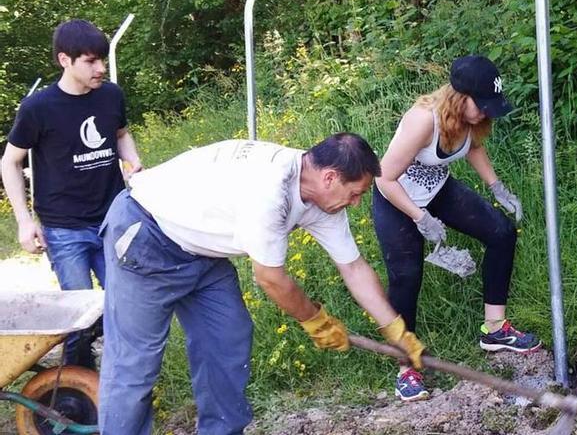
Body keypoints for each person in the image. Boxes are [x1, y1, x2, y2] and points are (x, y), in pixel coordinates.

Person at [98, 134, 424, 435]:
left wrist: (395, 329)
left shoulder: (323, 199)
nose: (355, 203)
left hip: (200, 252)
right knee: (134, 364)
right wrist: (316, 321)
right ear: (330, 178)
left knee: (228, 337)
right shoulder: (271, 190)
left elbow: (353, 267)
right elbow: (270, 279)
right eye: (355, 194)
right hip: (146, 235)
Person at [372, 55, 541, 402]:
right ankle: (408, 366)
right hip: (396, 198)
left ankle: (495, 330)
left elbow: (473, 148)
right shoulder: (424, 120)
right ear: (459, 96)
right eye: (483, 105)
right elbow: (384, 176)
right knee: (406, 275)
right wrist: (420, 219)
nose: (486, 113)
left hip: (436, 190)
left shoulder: (469, 118)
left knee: (501, 232)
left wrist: (497, 187)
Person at [0, 19, 142, 368]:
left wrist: (133, 161)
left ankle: (123, 375)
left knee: (126, 304)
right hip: (65, 231)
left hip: (113, 220)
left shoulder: (111, 96)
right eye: (91, 61)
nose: (101, 68)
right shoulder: (38, 108)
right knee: (78, 314)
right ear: (65, 60)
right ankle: (76, 389)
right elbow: (9, 162)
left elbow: (121, 134)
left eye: (102, 60)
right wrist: (24, 221)